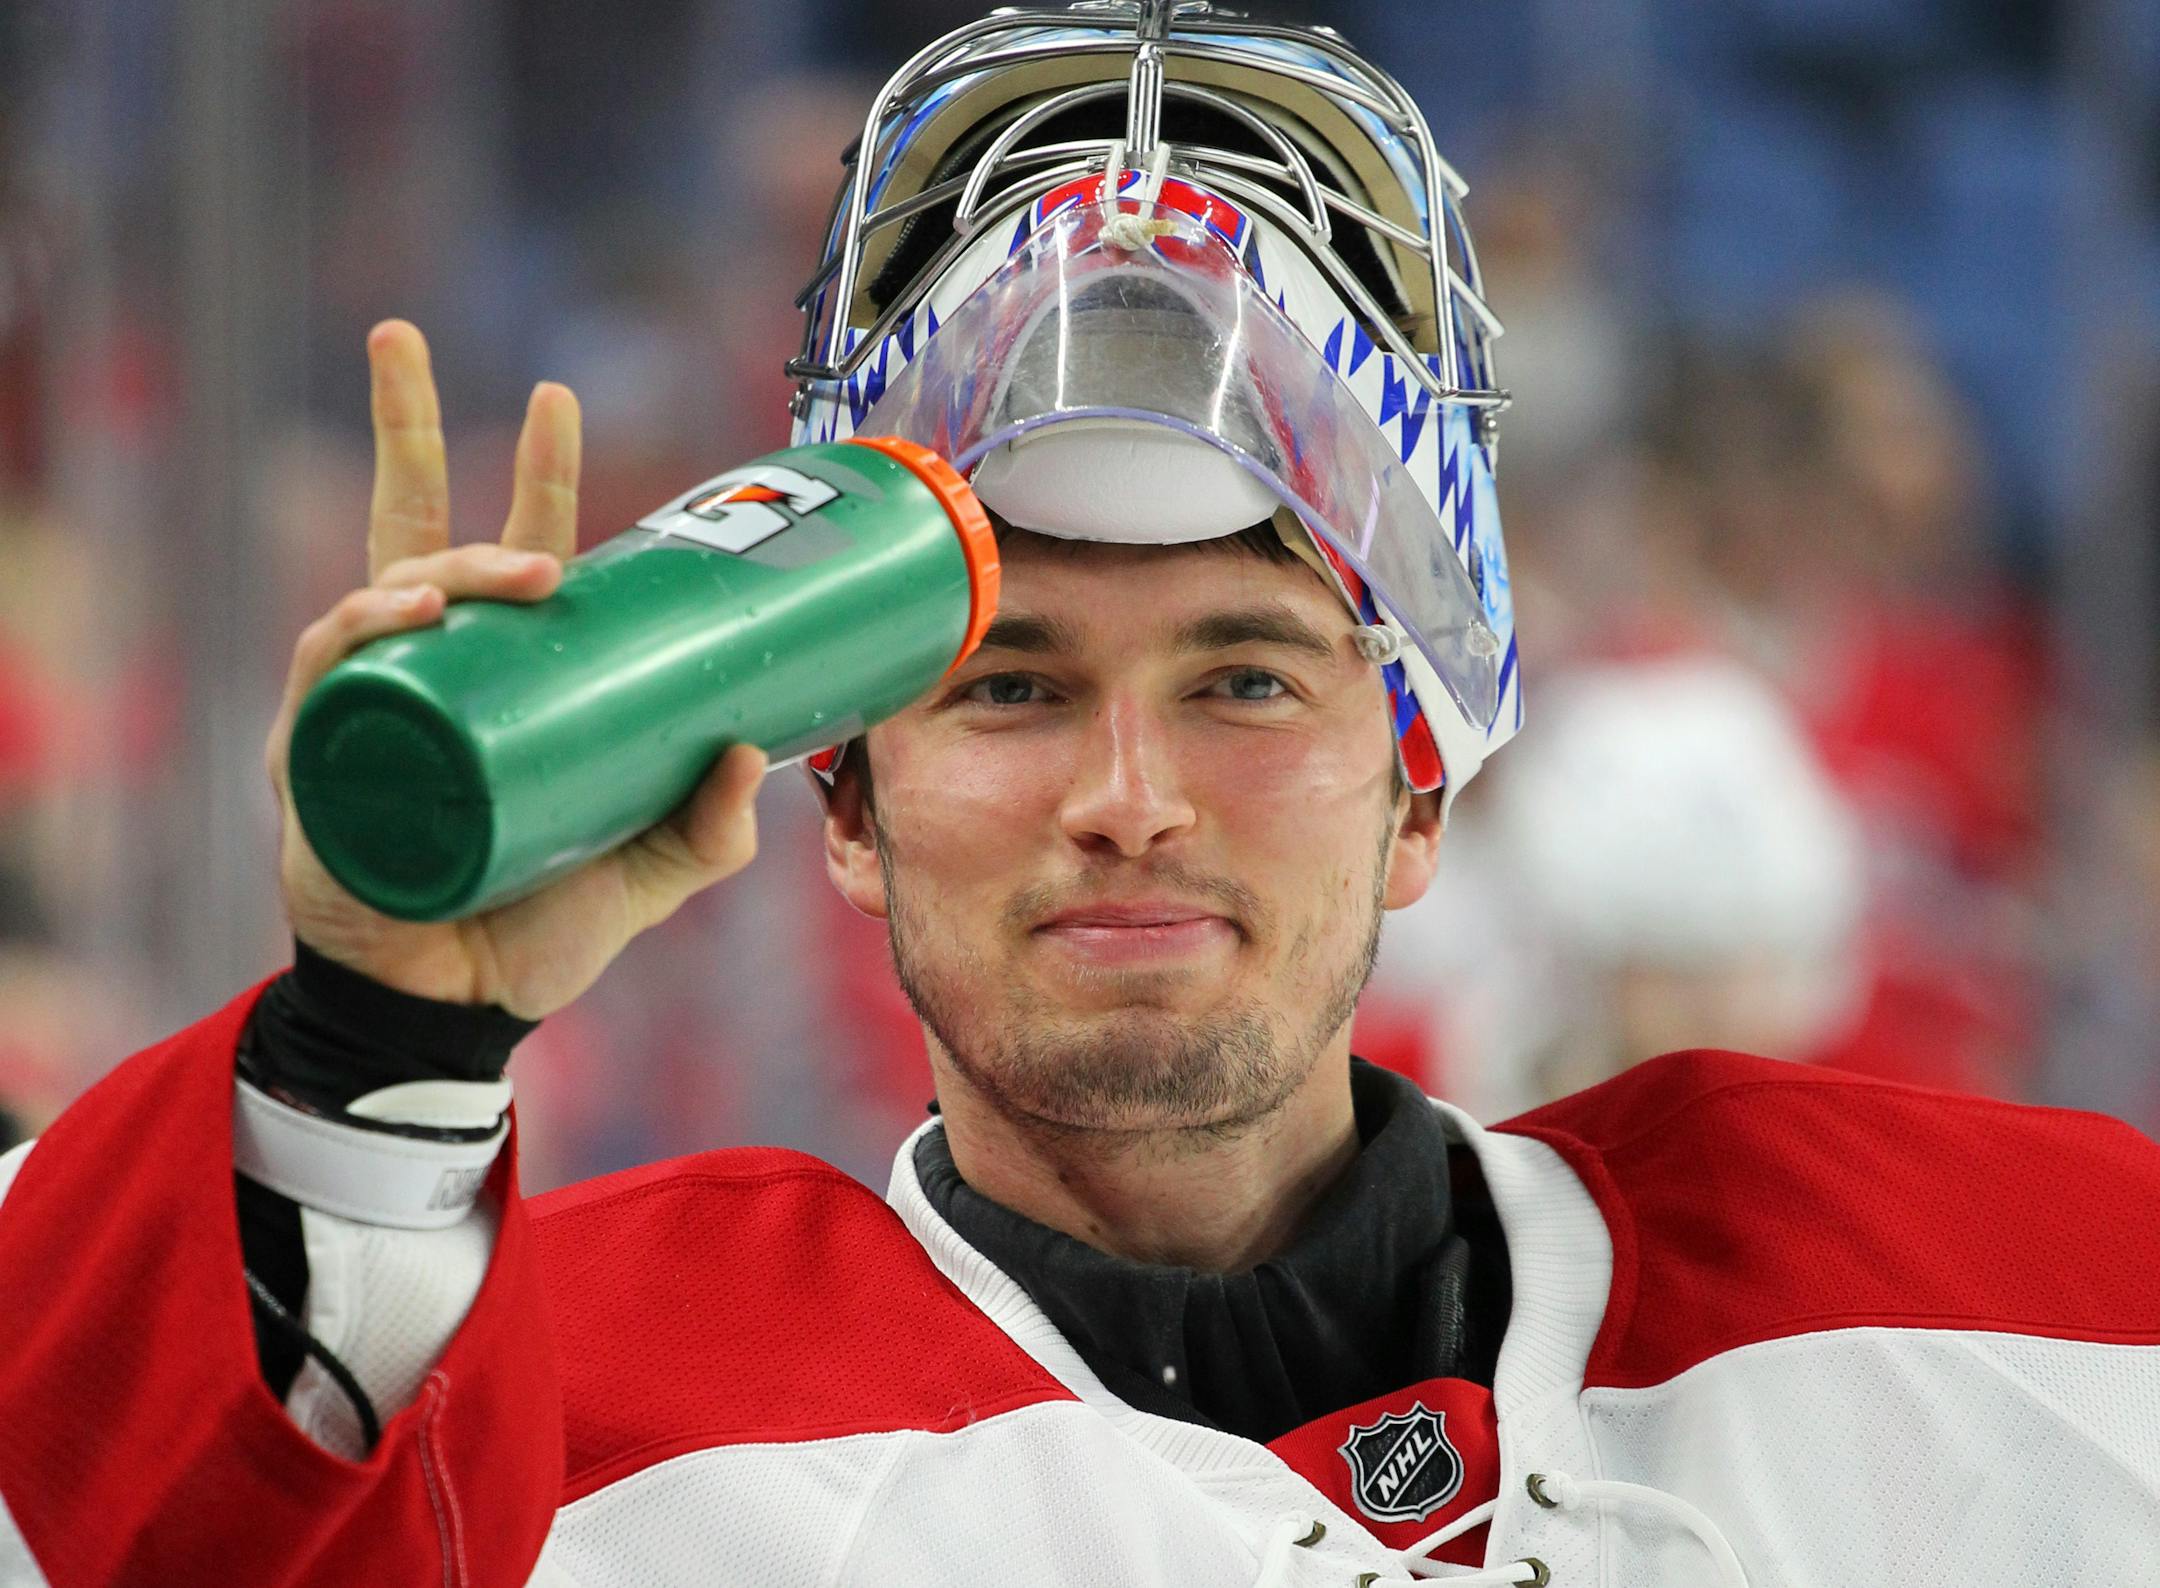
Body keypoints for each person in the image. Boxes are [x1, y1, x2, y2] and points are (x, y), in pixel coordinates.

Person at [2, 6, 2157, 1586]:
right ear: (839, 806)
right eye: (1013, 683)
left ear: (1423, 793)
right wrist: (379, 1039)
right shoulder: (567, 1436)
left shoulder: (1984, 1297)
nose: (1130, 795)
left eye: (1244, 675)